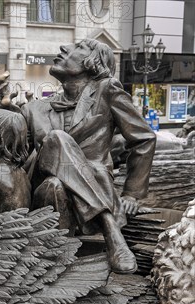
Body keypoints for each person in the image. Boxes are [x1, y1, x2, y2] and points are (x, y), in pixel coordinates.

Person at [21, 39, 156, 274]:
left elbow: (143, 139)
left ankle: (54, 272)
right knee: (56, 139)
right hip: (40, 187)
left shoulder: (107, 90)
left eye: (76, 48)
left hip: (67, 189)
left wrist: (132, 194)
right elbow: (11, 153)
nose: (63, 48)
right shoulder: (35, 108)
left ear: (93, 62)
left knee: (56, 184)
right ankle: (109, 224)